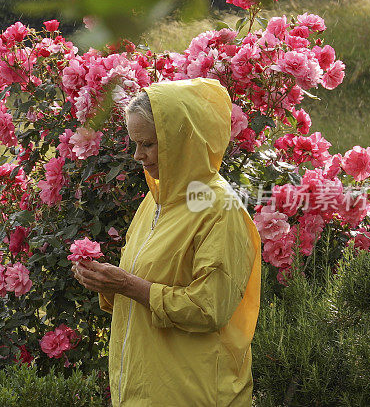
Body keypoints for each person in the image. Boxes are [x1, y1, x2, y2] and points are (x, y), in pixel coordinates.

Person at [71, 78, 262, 406]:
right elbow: (143, 288)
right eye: (135, 143)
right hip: (147, 392)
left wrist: (127, 284)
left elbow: (207, 309)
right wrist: (105, 281)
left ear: (180, 139)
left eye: (147, 144)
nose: (137, 156)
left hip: (194, 394)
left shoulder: (219, 210)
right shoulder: (158, 200)